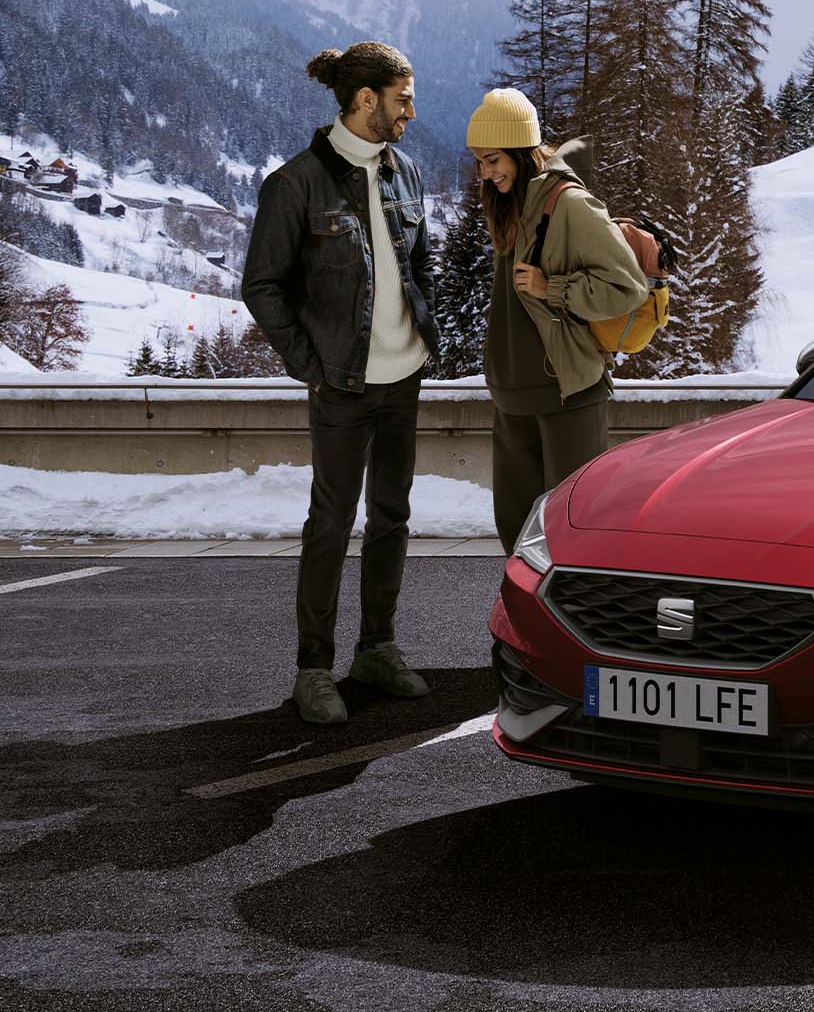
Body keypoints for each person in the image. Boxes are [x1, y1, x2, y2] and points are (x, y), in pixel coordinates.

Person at [243, 42, 440, 724]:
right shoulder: (295, 183)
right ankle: (314, 668)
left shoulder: (404, 172)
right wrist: (312, 364)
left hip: (403, 378)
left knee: (392, 518)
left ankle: (377, 649)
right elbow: (262, 285)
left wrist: (422, 335)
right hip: (343, 385)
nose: (412, 111)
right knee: (330, 524)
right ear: (365, 100)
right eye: (402, 98)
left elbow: (419, 266)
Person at [464, 88, 649, 544]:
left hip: (566, 394)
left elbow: (627, 286)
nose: (486, 174)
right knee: (518, 538)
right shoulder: (511, 205)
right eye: (480, 164)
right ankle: (523, 617)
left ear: (522, 151)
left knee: (573, 534)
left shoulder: (569, 203)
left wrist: (554, 288)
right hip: (512, 397)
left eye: (493, 161)